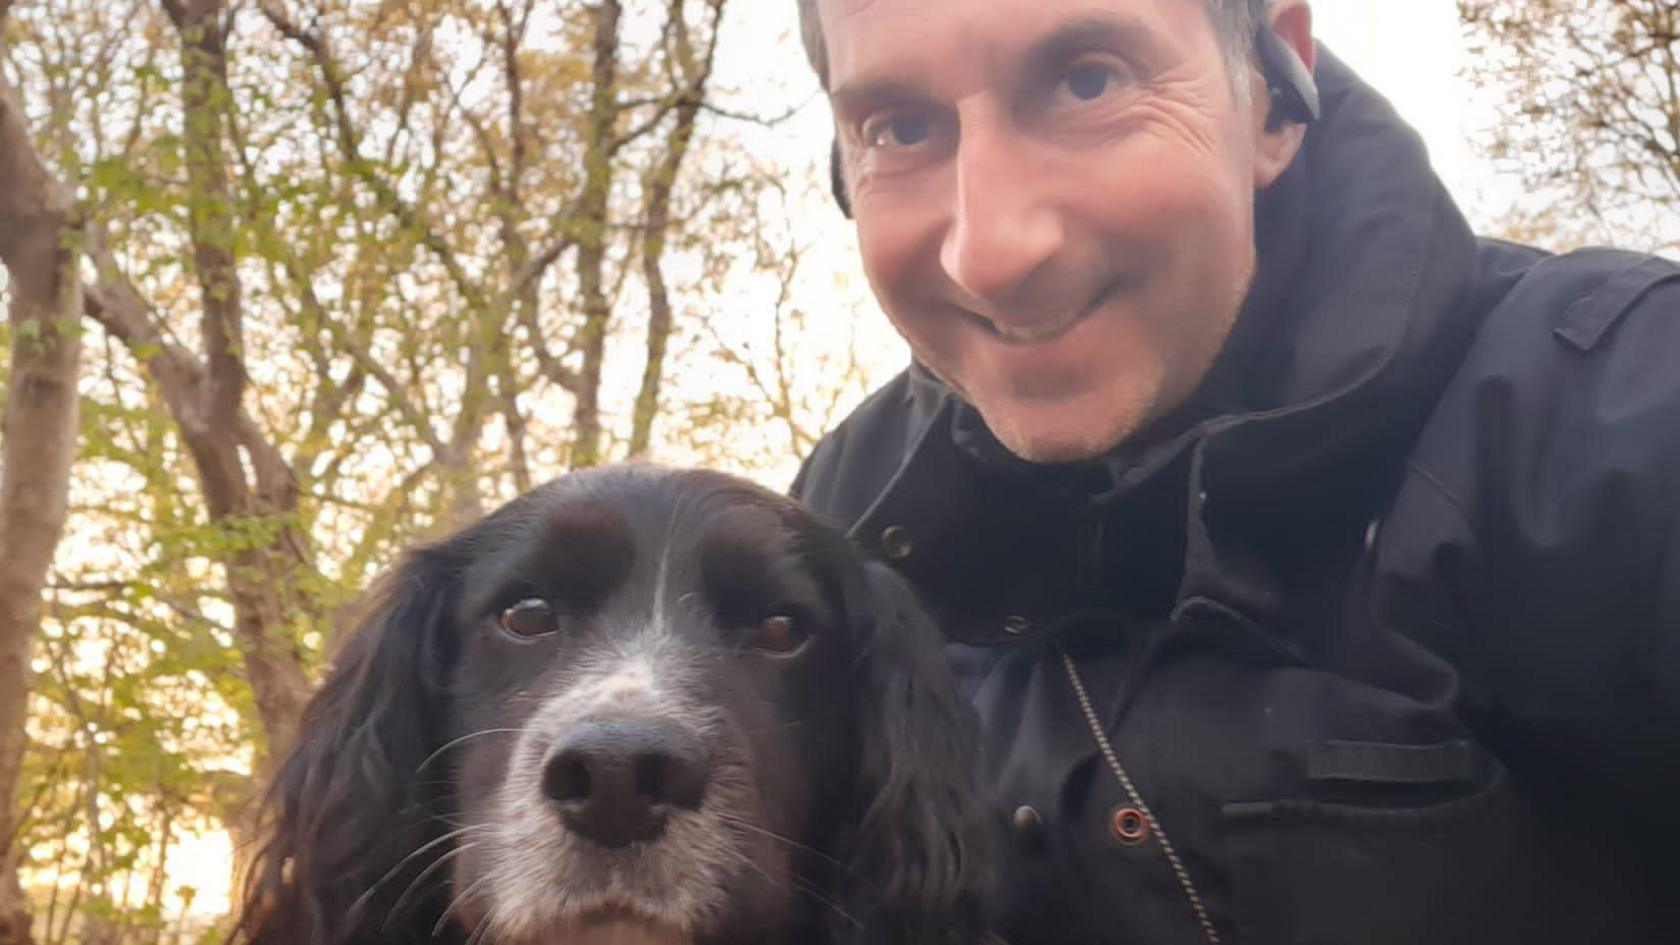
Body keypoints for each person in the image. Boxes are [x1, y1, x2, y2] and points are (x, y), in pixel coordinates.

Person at [787, 0, 1680, 942]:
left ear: (1270, 91)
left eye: (1089, 80)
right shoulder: (838, 523)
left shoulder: (1621, 409)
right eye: (900, 127)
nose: (992, 253)